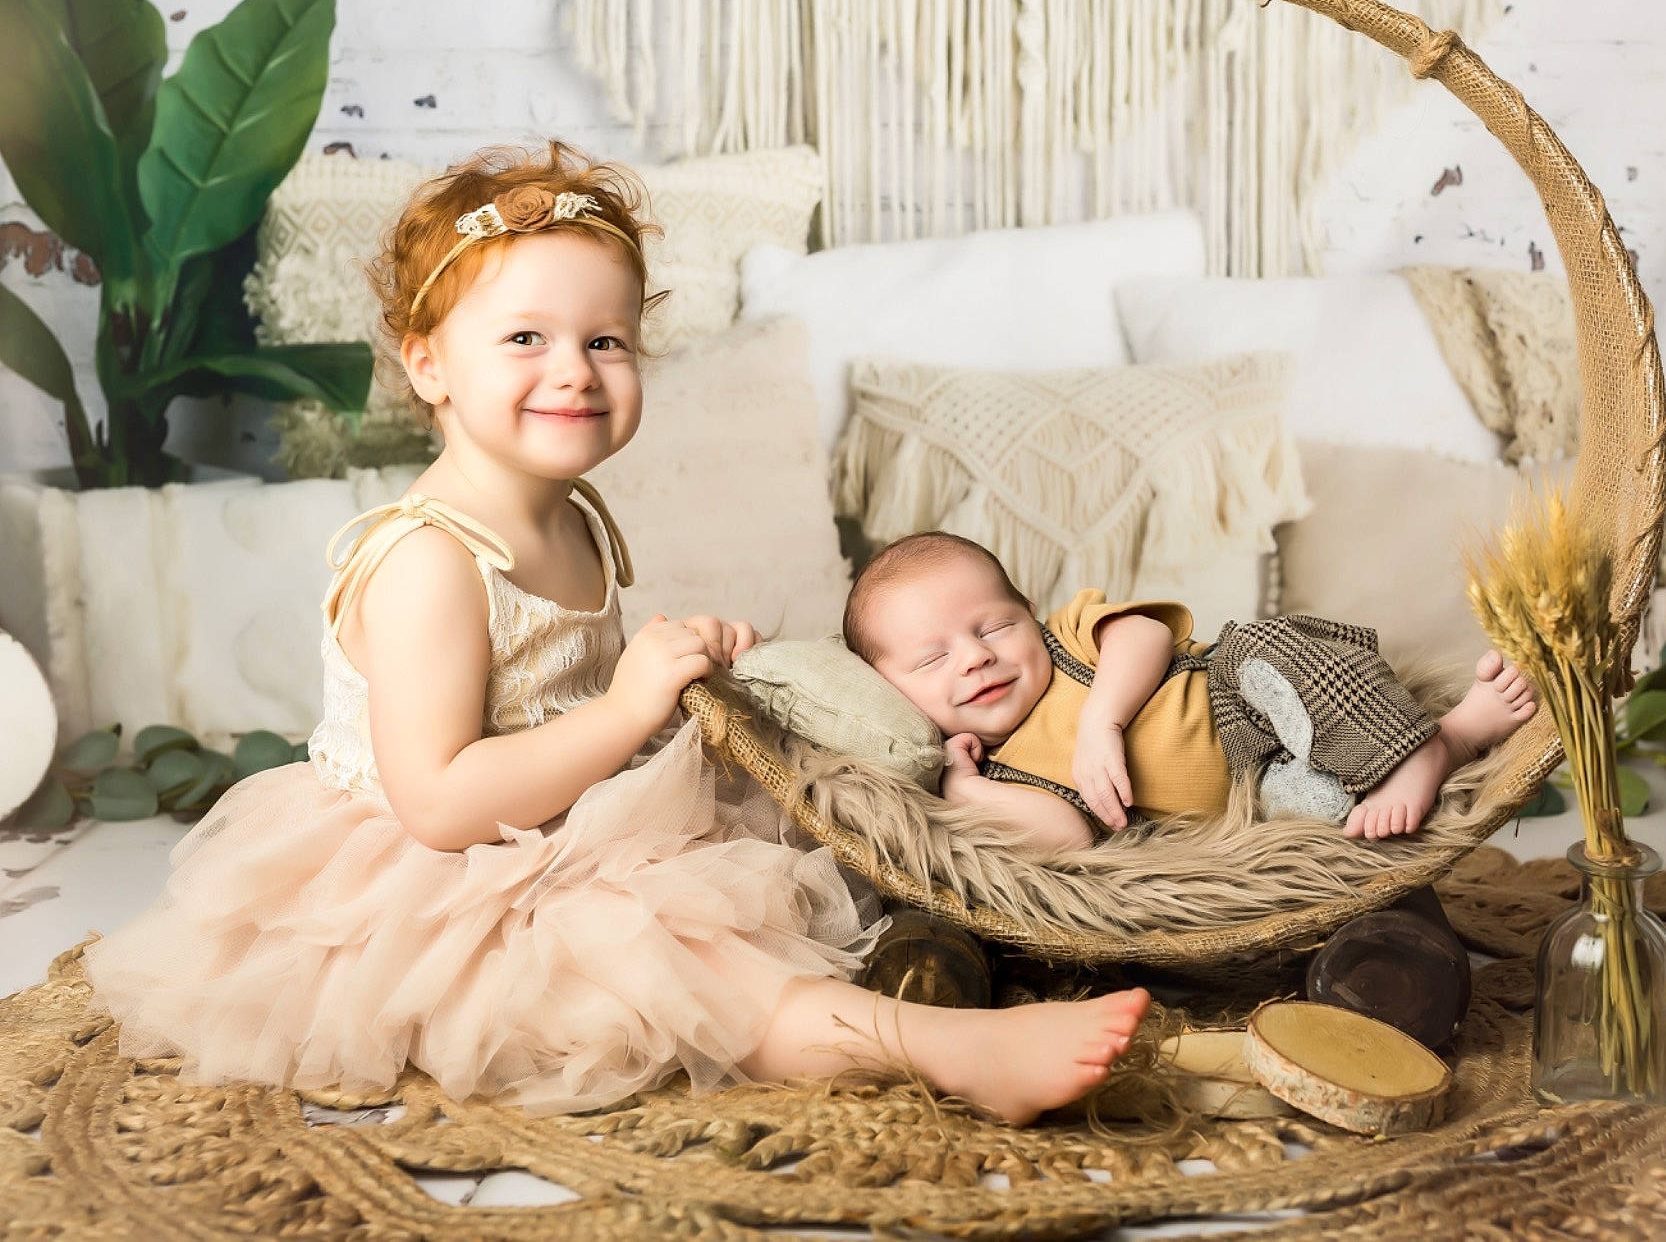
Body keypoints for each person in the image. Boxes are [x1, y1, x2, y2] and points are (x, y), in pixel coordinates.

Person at [83, 142, 1147, 1124]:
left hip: (560, 817)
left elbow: (562, 689)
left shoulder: (572, 514)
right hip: (436, 877)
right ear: (428, 365)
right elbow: (439, 802)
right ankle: (947, 1051)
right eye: (524, 338)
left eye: (606, 340)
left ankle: (962, 946)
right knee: (684, 958)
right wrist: (631, 706)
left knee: (807, 829)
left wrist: (677, 668)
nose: (574, 370)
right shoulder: (429, 561)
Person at [843, 532, 1537, 852]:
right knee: (1319, 817)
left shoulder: (1065, 639)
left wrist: (1103, 721)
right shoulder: (997, 773)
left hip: (1242, 702)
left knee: (1264, 647)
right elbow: (1066, 834)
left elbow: (1146, 633)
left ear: (1029, 612)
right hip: (1252, 800)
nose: (976, 656)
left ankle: (1430, 743)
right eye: (933, 658)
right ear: (887, 690)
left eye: (995, 625)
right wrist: (963, 789)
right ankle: (1447, 744)